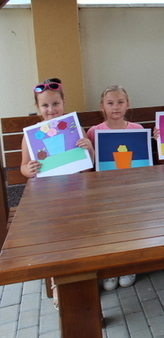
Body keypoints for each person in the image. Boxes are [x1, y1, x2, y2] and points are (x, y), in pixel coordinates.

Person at [20, 77, 94, 308]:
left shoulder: (75, 129)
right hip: (49, 198)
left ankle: (86, 275)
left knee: (80, 236)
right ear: (37, 107)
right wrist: (29, 169)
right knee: (55, 240)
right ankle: (58, 283)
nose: (51, 109)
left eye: (55, 104)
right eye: (45, 105)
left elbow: (88, 166)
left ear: (64, 102)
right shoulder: (31, 136)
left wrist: (89, 149)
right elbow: (23, 167)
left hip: (76, 194)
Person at [87, 85, 141, 290]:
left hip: (131, 192)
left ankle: (129, 265)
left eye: (120, 102)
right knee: (109, 230)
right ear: (102, 106)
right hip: (105, 193)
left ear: (127, 104)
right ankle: (111, 268)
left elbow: (144, 162)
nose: (115, 107)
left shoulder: (137, 130)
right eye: (110, 103)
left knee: (130, 228)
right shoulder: (94, 132)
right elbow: (90, 166)